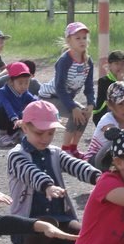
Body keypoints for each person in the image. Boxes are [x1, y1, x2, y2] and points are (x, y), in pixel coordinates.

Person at [6, 99, 100, 244]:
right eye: (39, 133)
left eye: (50, 133)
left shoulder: (55, 152)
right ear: (25, 128)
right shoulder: (16, 155)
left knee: (85, 236)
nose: (45, 139)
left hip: (60, 216)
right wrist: (47, 186)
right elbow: (30, 172)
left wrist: (98, 177)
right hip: (26, 223)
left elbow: (76, 165)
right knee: (46, 224)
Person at [38, 21, 95, 156]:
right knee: (74, 115)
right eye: (77, 38)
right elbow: (60, 88)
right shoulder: (65, 60)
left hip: (65, 98)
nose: (82, 41)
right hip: (50, 97)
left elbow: (89, 86)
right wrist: (72, 107)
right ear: (69, 41)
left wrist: (91, 104)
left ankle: (73, 148)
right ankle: (65, 150)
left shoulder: (88, 61)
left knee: (84, 114)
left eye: (84, 38)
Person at [84, 82, 124, 168]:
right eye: (121, 104)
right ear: (110, 105)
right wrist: (112, 131)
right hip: (94, 161)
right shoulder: (107, 119)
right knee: (117, 140)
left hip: (117, 159)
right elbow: (109, 130)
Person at [0, 62, 37, 147]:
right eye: (20, 83)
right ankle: (3, 136)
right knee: (2, 110)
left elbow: (35, 102)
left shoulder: (25, 92)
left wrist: (47, 110)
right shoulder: (2, 92)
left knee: (32, 107)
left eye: (26, 83)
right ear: (10, 82)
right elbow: (7, 106)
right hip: (2, 124)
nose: (24, 86)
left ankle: (20, 133)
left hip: (17, 123)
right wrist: (15, 119)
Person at [92, 50, 124, 123]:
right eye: (116, 63)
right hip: (103, 115)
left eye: (122, 64)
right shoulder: (103, 81)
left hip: (121, 113)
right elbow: (115, 98)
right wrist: (119, 81)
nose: (120, 67)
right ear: (109, 66)